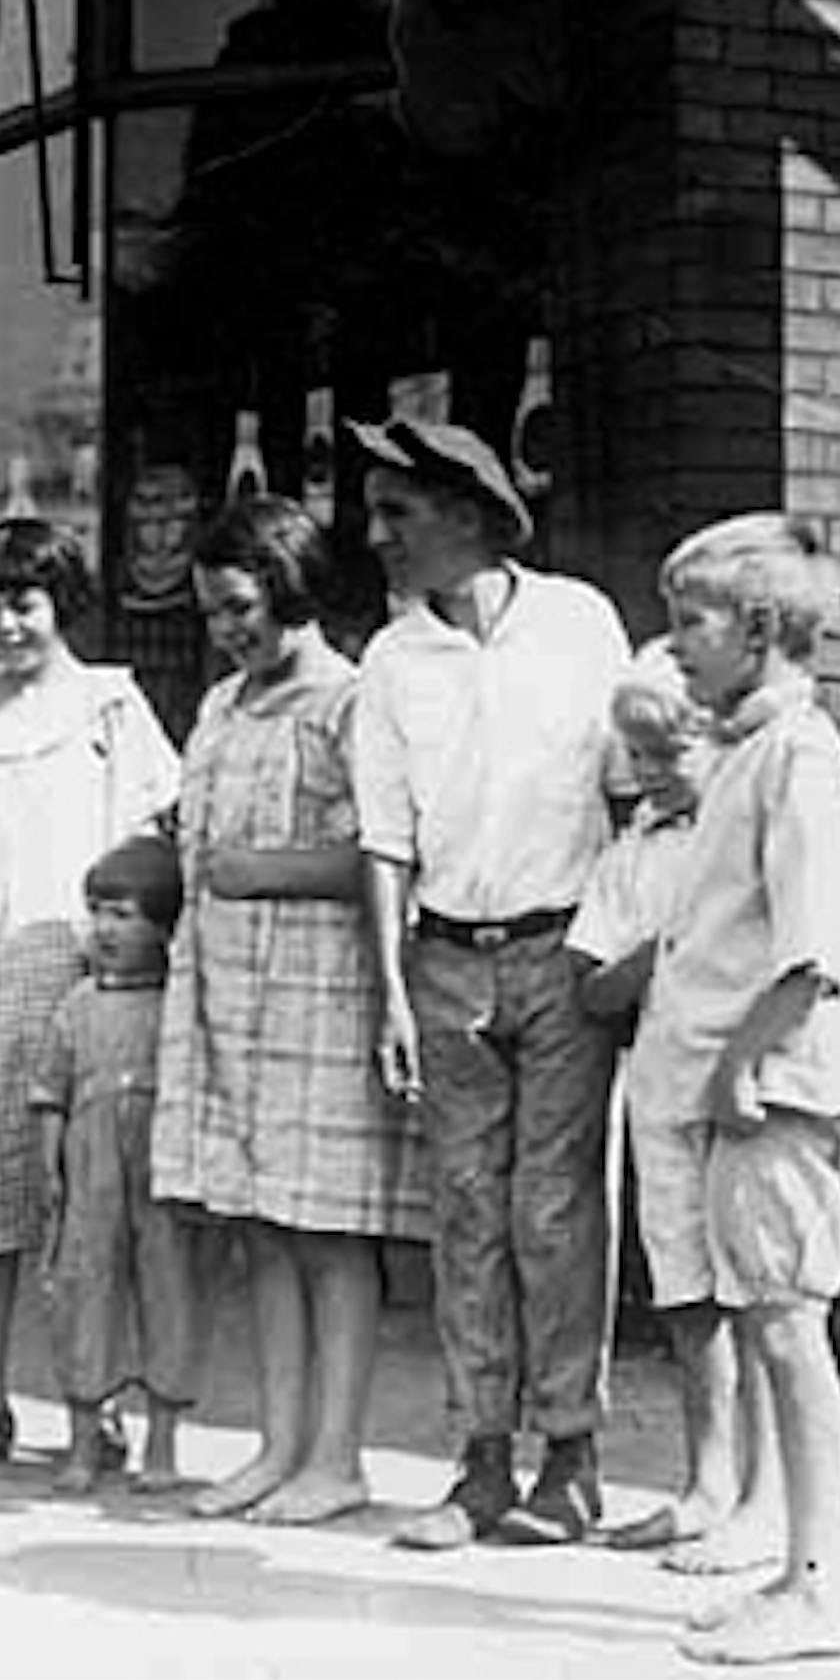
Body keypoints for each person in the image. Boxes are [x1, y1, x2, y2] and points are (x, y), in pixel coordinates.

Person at [347, 416, 635, 1550]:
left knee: (556, 1208)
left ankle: (571, 1458)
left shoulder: (580, 623)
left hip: (562, 951)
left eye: (397, 515)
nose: (378, 538)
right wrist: (391, 995)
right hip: (445, 959)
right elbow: (384, 839)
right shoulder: (390, 658)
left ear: (470, 512)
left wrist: (619, 946)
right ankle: (479, 1463)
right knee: (465, 1211)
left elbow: (630, 785)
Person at [153, 493, 432, 1525]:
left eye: (239, 605)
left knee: (330, 1231)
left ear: (290, 585)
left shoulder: (351, 702)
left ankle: (338, 1454)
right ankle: (277, 1445)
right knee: (262, 1225)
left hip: (322, 987)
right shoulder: (222, 703)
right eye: (212, 612)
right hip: (230, 992)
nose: (227, 629)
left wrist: (263, 869)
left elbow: (392, 853)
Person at [643, 512, 840, 1665]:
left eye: (689, 620)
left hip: (780, 1081)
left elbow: (816, 948)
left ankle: (816, 1583)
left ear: (756, 627)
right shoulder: (746, 749)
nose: (675, 642)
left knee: (792, 1326)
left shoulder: (800, 755)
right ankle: (785, 1558)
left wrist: (741, 1062)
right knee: (767, 1315)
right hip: (742, 1082)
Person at [0, 517, 181, 1467]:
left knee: (85, 1193)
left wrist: (131, 965)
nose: (6, 624)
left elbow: (146, 845)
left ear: (61, 604)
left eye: (23, 603)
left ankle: (95, 1407)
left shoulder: (109, 707)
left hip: (78, 980)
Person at [569, 651, 784, 1572]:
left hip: (742, 1092)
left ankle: (763, 1501)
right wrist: (660, 955)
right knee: (689, 1296)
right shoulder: (636, 852)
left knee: (758, 1295)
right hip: (660, 1091)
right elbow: (591, 989)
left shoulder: (744, 835)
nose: (653, 774)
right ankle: (704, 1486)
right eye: (641, 758)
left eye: (671, 752)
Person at [30, 833, 204, 1495]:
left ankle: (162, 1445)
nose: (105, 928)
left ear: (164, 927)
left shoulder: (178, 1009)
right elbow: (49, 1092)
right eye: (98, 911)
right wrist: (50, 1168)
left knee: (170, 1295)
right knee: (85, 1293)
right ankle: (82, 1442)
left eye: (124, 914)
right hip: (90, 1176)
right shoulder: (78, 1004)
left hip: (162, 1173)